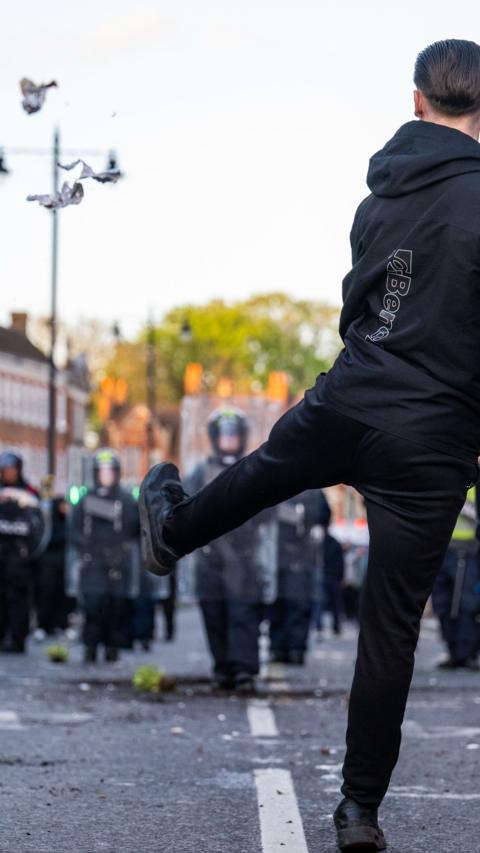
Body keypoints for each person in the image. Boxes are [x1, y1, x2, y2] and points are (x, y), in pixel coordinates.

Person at [139, 40, 480, 851]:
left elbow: (360, 300)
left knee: (262, 470)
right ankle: (359, 810)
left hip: (355, 392)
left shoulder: (381, 198)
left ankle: (171, 531)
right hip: (435, 436)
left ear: (417, 102)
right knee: (390, 630)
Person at [186, 407, 272, 692]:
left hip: (244, 559)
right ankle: (222, 668)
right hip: (210, 558)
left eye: (234, 434)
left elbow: (268, 513)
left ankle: (244, 670)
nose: (229, 440)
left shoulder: (253, 469)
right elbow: (187, 510)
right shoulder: (200, 472)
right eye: (224, 435)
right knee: (215, 613)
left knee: (243, 614)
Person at [70, 449, 141, 663]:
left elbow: (135, 529)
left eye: (110, 471)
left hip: (120, 563)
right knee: (93, 606)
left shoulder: (127, 500)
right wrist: (86, 549)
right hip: (93, 563)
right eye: (102, 471)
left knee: (116, 607)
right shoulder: (85, 499)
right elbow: (74, 530)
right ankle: (90, 646)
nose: (106, 476)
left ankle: (113, 647)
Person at [270, 490, 330, 664]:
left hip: (284, 557)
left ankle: (280, 648)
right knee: (295, 606)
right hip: (300, 559)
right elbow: (324, 519)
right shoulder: (314, 491)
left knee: (281, 606)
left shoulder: (277, 481)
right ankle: (293, 648)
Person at [0, 451, 45, 653]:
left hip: (21, 559)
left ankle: (17, 638)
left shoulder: (29, 493)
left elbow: (41, 526)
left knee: (19, 601)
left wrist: (31, 554)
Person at [432, 486, 480, 670]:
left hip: (466, 551)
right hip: (442, 549)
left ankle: (466, 653)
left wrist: (452, 500)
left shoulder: (473, 482)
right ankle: (453, 651)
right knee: (443, 604)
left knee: (465, 604)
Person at [36, 497, 74, 639]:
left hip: (63, 566)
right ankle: (44, 625)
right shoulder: (49, 523)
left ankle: (60, 624)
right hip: (49, 565)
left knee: (63, 596)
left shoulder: (68, 522)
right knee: (47, 595)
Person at [313, 507, 345, 638]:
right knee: (334, 604)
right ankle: (335, 627)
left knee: (320, 602)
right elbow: (340, 562)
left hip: (324, 574)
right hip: (332, 576)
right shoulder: (335, 542)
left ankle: (319, 626)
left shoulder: (317, 542)